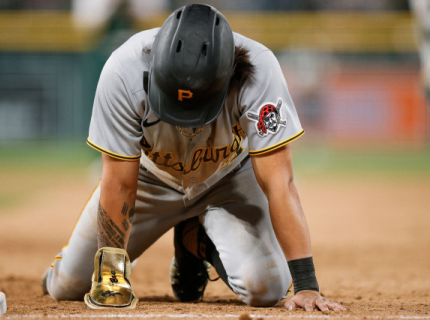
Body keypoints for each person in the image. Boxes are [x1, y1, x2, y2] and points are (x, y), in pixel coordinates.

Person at [42, 4, 345, 312]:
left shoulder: (259, 69)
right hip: (151, 177)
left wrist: (306, 285)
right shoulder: (125, 69)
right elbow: (119, 182)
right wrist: (110, 276)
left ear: (230, 75)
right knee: (69, 286)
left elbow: (279, 183)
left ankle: (195, 241)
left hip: (229, 178)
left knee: (265, 289)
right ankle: (63, 270)